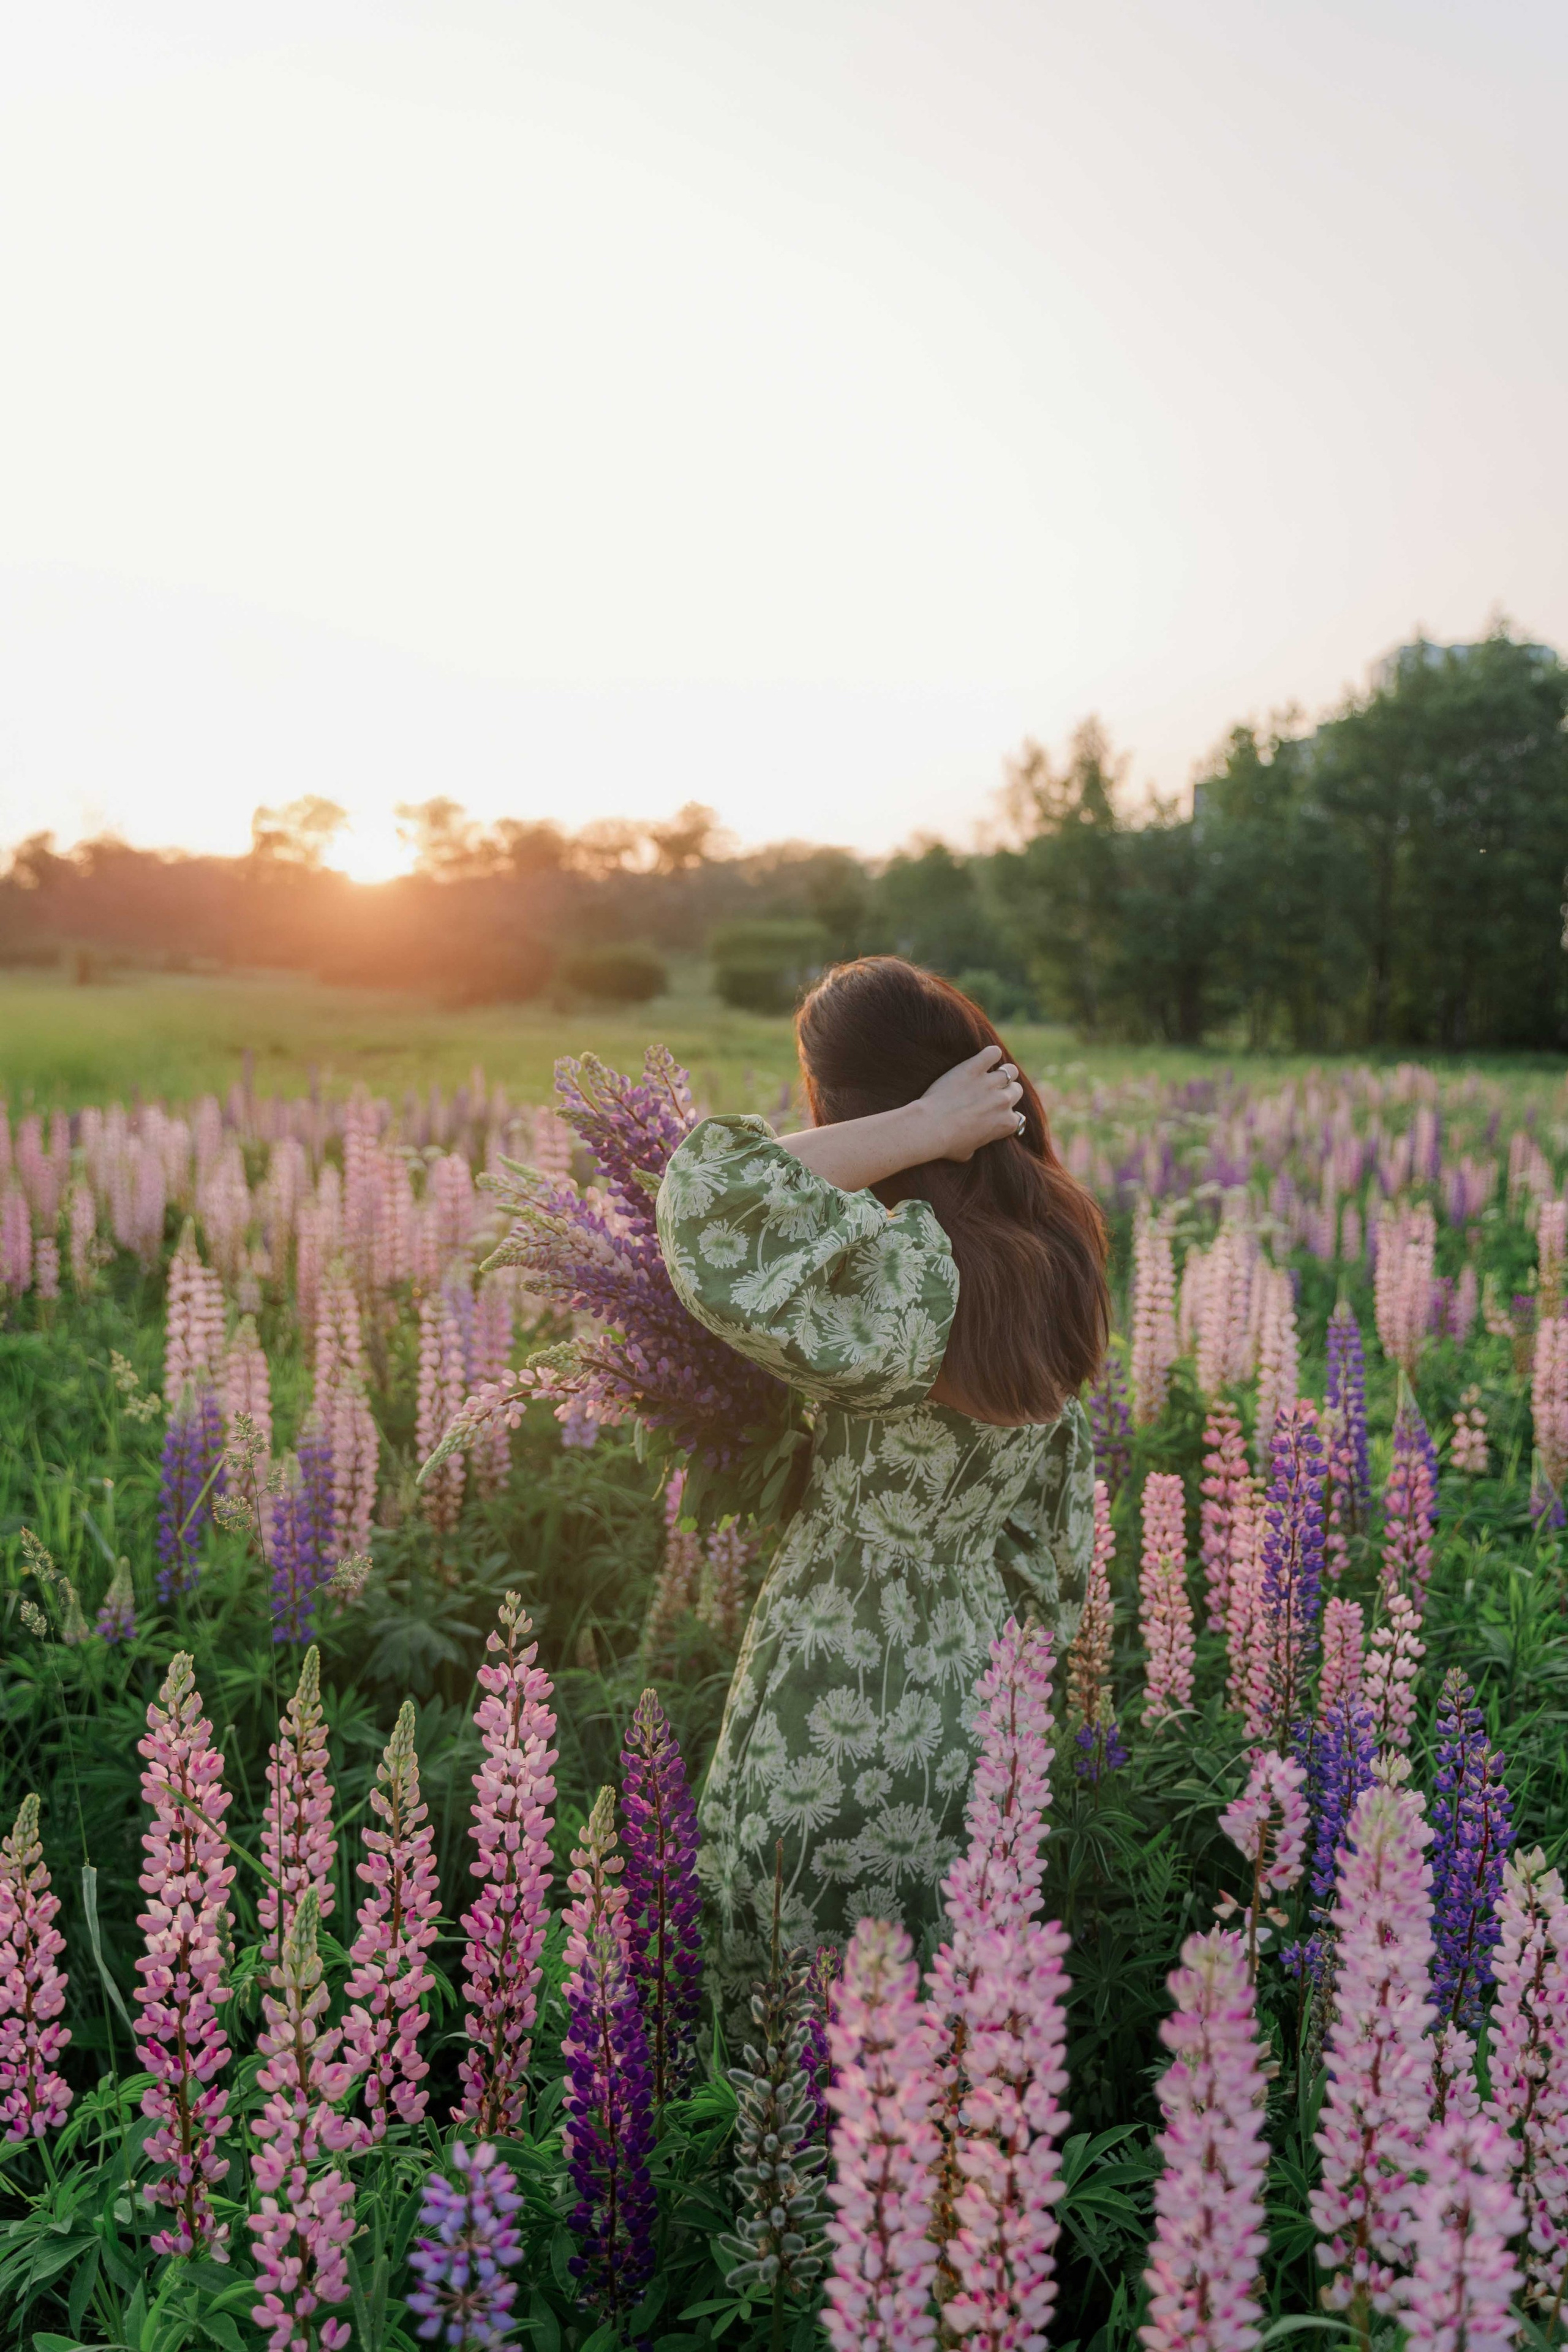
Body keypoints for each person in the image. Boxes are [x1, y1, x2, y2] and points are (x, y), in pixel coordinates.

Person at [654, 956, 1110, 2015]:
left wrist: (915, 1133)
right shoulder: (1054, 1242)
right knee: (926, 2046)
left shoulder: (896, 1274)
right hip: (965, 1693)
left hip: (828, 1686)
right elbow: (1055, 1542)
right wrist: (1012, 1708)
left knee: (786, 2027)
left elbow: (707, 1190)